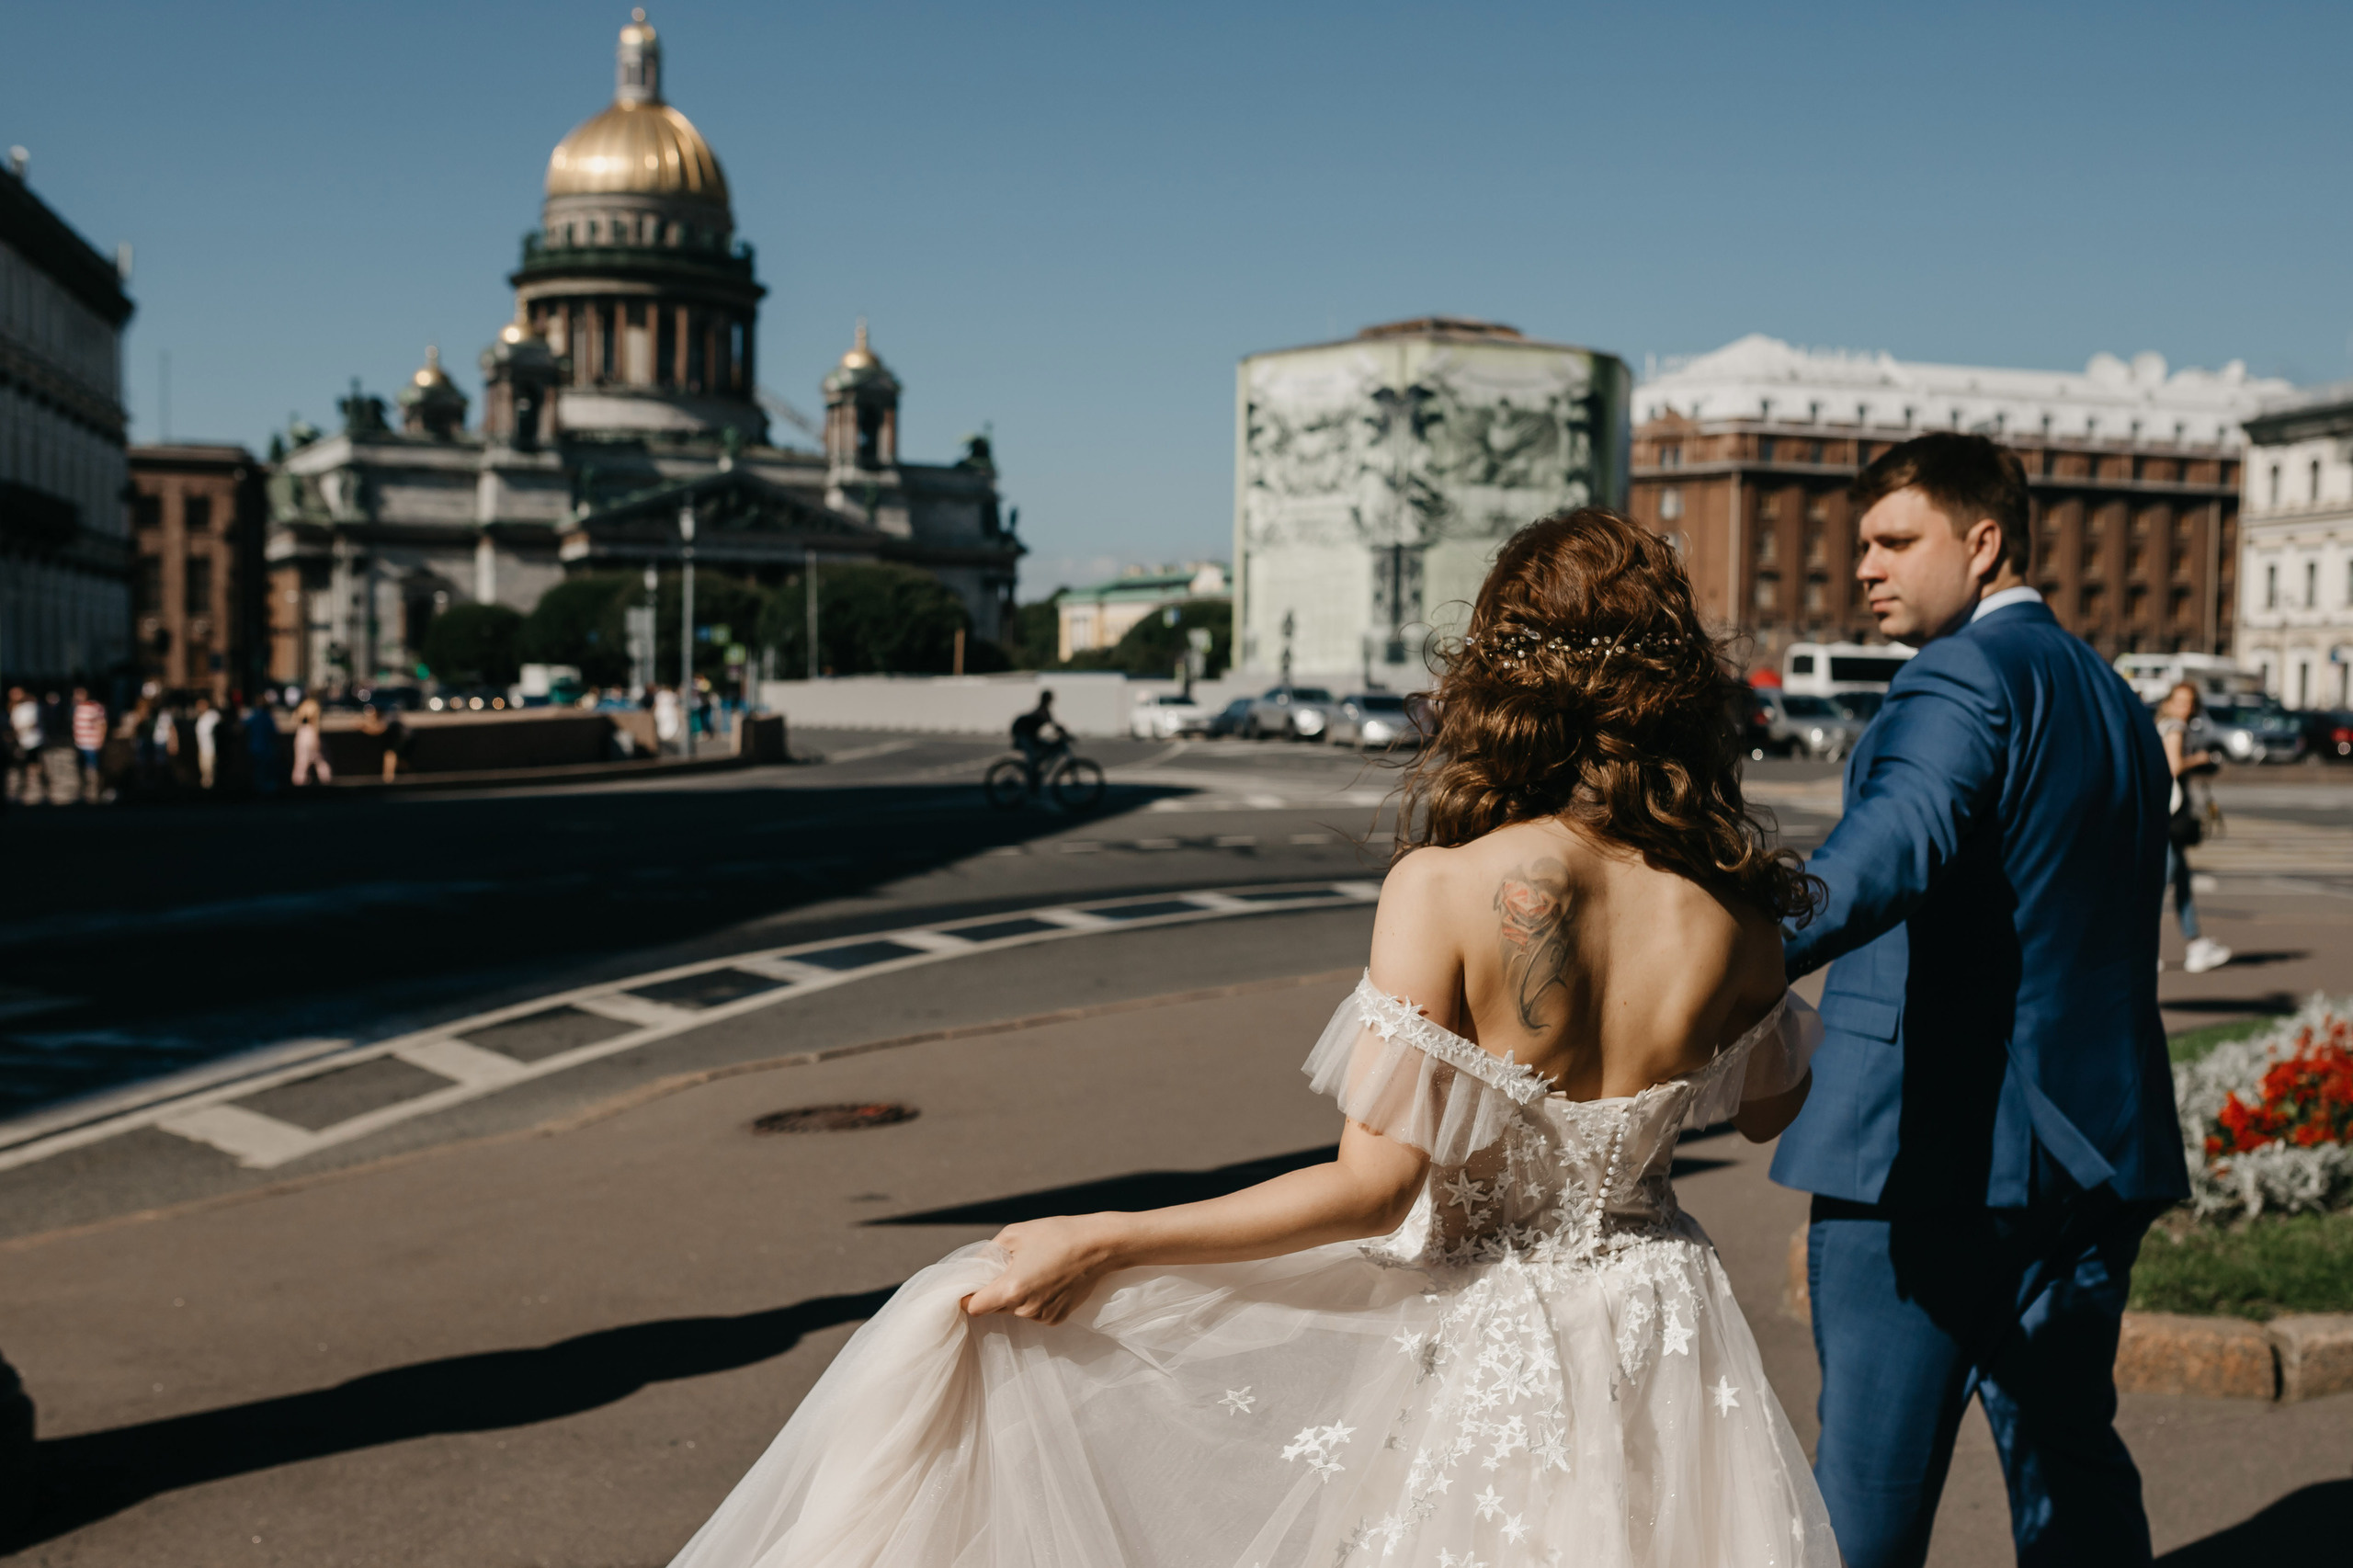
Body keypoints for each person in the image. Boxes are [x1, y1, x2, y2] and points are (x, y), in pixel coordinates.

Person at [662, 510, 1839, 1568]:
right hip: (1664, 1329)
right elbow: (1772, 1104)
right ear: (1673, 685)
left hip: (1496, 1336)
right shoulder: (1736, 916)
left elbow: (1373, 1189)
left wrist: (1112, 1236)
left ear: (1498, 676)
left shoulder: (1442, 888)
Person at [1775, 433, 2187, 1568]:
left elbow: (1890, 847)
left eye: (1896, 540)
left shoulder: (1963, 674)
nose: (1866, 565)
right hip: (2093, 1151)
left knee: (1865, 1496)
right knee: (2072, 1470)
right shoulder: (2110, 696)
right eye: (1861, 543)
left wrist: (1726, 945)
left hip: (1939, 1159)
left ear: (1985, 539)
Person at [2154, 681, 2230, 974]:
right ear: (2169, 703)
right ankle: (2146, 948)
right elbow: (2173, 766)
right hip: (2171, 814)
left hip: (2164, 811)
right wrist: (2199, 759)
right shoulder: (2175, 728)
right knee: (2162, 881)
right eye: (2180, 701)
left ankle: (2195, 944)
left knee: (2181, 881)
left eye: (2190, 703)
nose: (2185, 708)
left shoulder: (2161, 725)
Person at [1010, 688, 1064, 789]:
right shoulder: (1042, 710)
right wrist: (1064, 734)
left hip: (1028, 736)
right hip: (1023, 735)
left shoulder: (1044, 710)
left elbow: (1054, 726)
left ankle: (1034, 780)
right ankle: (1032, 783)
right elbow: (1054, 726)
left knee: (1039, 755)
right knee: (1033, 759)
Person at [70, 687, 106, 801]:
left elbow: (102, 724)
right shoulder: (77, 708)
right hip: (80, 743)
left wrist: (100, 740)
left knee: (93, 770)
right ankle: (83, 794)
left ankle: (94, 794)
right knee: (81, 770)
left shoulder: (95, 707)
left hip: (91, 743)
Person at [290, 699, 331, 786]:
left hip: (302, 735)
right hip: (310, 735)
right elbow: (316, 725)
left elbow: (294, 720)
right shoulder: (313, 708)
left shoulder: (302, 712)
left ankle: (300, 783)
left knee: (302, 763)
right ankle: (326, 782)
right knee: (320, 762)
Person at [192, 695, 222, 790]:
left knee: (210, 770)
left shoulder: (212, 716)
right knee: (204, 770)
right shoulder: (201, 717)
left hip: (210, 748)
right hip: (202, 748)